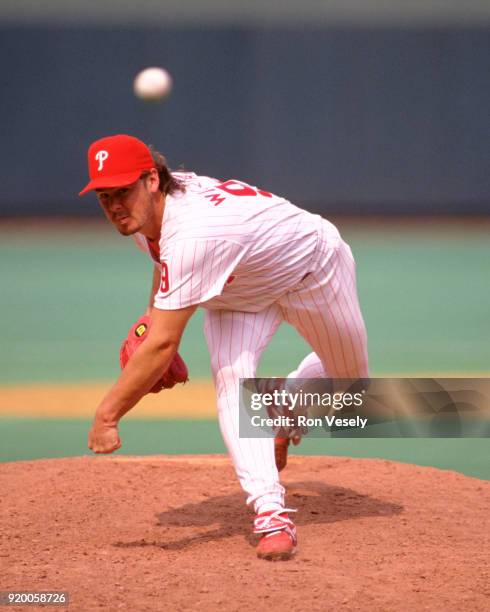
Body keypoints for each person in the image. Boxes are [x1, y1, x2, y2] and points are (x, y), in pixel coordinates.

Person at [80, 134, 369, 561]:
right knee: (234, 383)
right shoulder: (150, 214)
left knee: (351, 387)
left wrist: (107, 415)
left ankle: (285, 405)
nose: (115, 205)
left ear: (152, 181)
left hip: (312, 269)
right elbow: (167, 265)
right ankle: (271, 513)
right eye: (105, 197)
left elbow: (163, 343)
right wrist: (149, 315)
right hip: (234, 292)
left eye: (123, 191)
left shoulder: (196, 232)